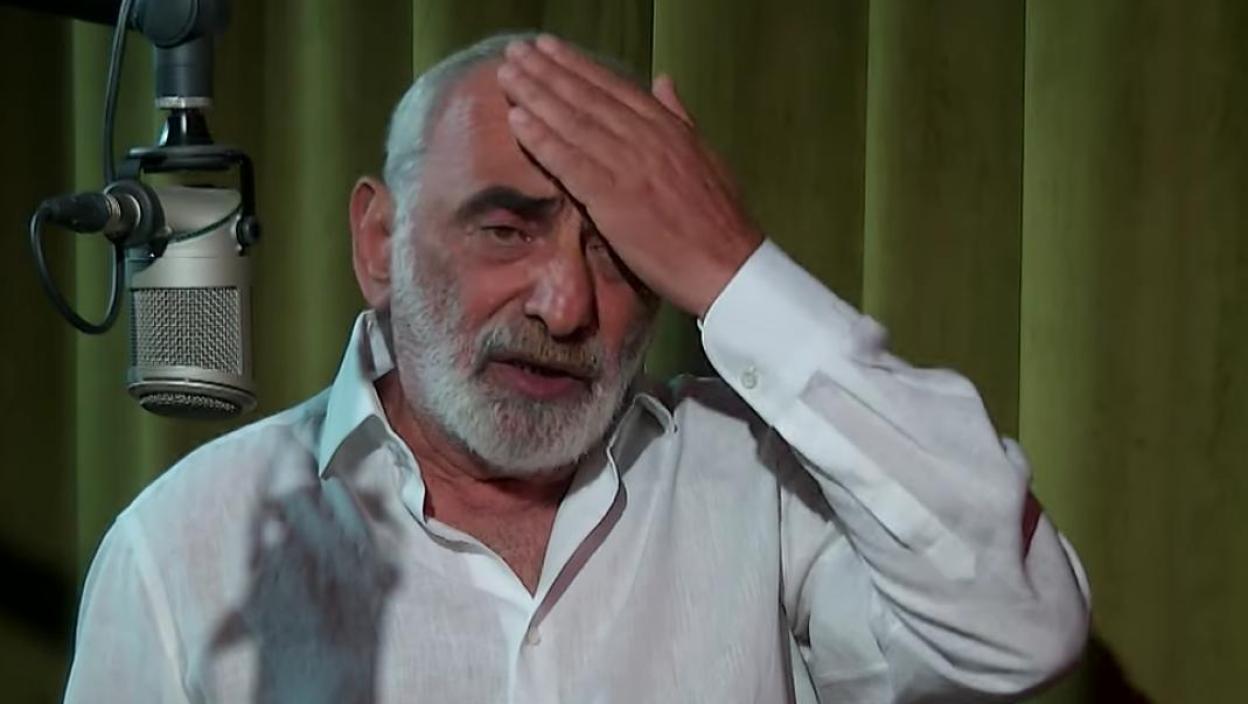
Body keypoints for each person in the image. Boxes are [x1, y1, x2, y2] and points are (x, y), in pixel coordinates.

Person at [63, 32, 1089, 703]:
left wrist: (736, 271)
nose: (566, 306)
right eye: (507, 230)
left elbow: (1019, 626)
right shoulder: (183, 548)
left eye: (619, 251)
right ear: (379, 243)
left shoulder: (759, 488)